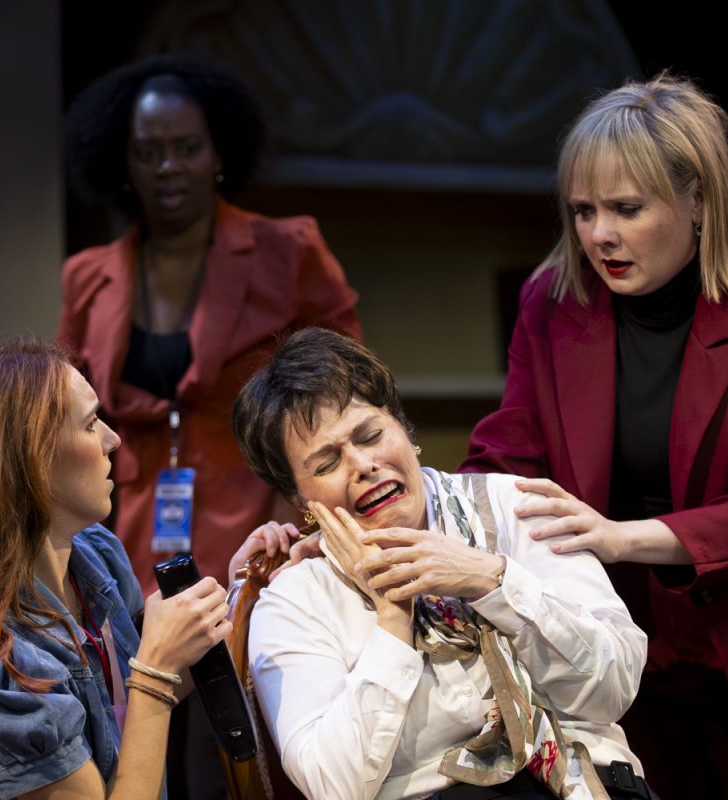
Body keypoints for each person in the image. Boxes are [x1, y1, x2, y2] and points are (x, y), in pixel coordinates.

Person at [461, 74, 728, 800]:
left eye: (626, 208)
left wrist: (622, 537)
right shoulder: (553, 300)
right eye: (584, 211)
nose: (599, 235)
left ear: (698, 200)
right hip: (624, 650)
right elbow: (505, 457)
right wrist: (402, 516)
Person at [231, 328, 650, 800]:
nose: (363, 464)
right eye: (327, 463)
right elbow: (333, 788)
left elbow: (613, 687)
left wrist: (492, 580)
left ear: (405, 431)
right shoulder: (295, 601)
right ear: (298, 498)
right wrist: (392, 618)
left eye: (370, 436)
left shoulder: (517, 508)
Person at [0, 339, 231, 799]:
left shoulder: (95, 556)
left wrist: (245, 590)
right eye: (92, 423)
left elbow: (132, 706)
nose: (113, 439)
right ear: (28, 462)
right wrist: (156, 665)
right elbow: (151, 687)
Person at [58, 55, 361, 594]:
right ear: (122, 164)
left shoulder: (288, 252)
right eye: (148, 153)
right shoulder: (87, 278)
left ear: (219, 152)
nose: (167, 166)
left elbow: (342, 393)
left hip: (266, 525)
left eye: (187, 148)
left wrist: (300, 523)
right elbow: (64, 414)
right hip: (128, 536)